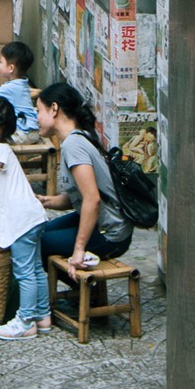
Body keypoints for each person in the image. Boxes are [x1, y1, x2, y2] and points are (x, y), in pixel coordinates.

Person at [0, 94, 51, 340]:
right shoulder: (1, 149)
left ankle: (25, 320)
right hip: (32, 218)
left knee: (24, 271)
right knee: (36, 269)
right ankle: (43, 315)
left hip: (21, 222)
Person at [33, 82, 133, 282]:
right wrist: (44, 201)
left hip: (110, 232)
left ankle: (84, 293)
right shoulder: (76, 139)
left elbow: (92, 200)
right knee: (37, 231)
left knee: (33, 243)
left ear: (54, 109)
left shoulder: (73, 145)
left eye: (38, 110)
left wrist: (78, 250)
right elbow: (75, 197)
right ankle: (85, 295)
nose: (36, 118)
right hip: (98, 223)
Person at [0, 39, 40, 130]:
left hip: (23, 131)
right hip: (32, 129)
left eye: (1, 62)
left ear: (11, 68)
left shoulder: (11, 87)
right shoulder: (23, 83)